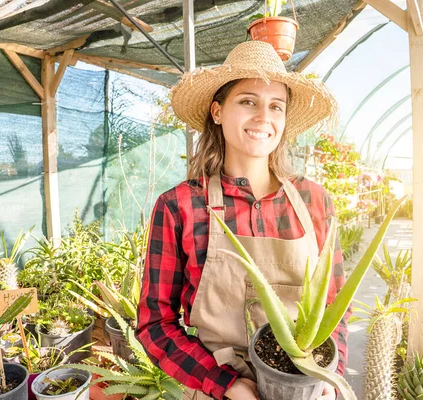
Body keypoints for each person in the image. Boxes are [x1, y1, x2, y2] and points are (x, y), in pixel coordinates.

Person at [136, 41, 350, 400]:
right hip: (219, 389)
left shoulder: (314, 200)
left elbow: (335, 307)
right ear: (217, 112)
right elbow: (154, 325)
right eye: (248, 101)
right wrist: (225, 385)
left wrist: (331, 374)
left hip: (305, 388)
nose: (263, 117)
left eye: (275, 106)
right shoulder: (180, 206)